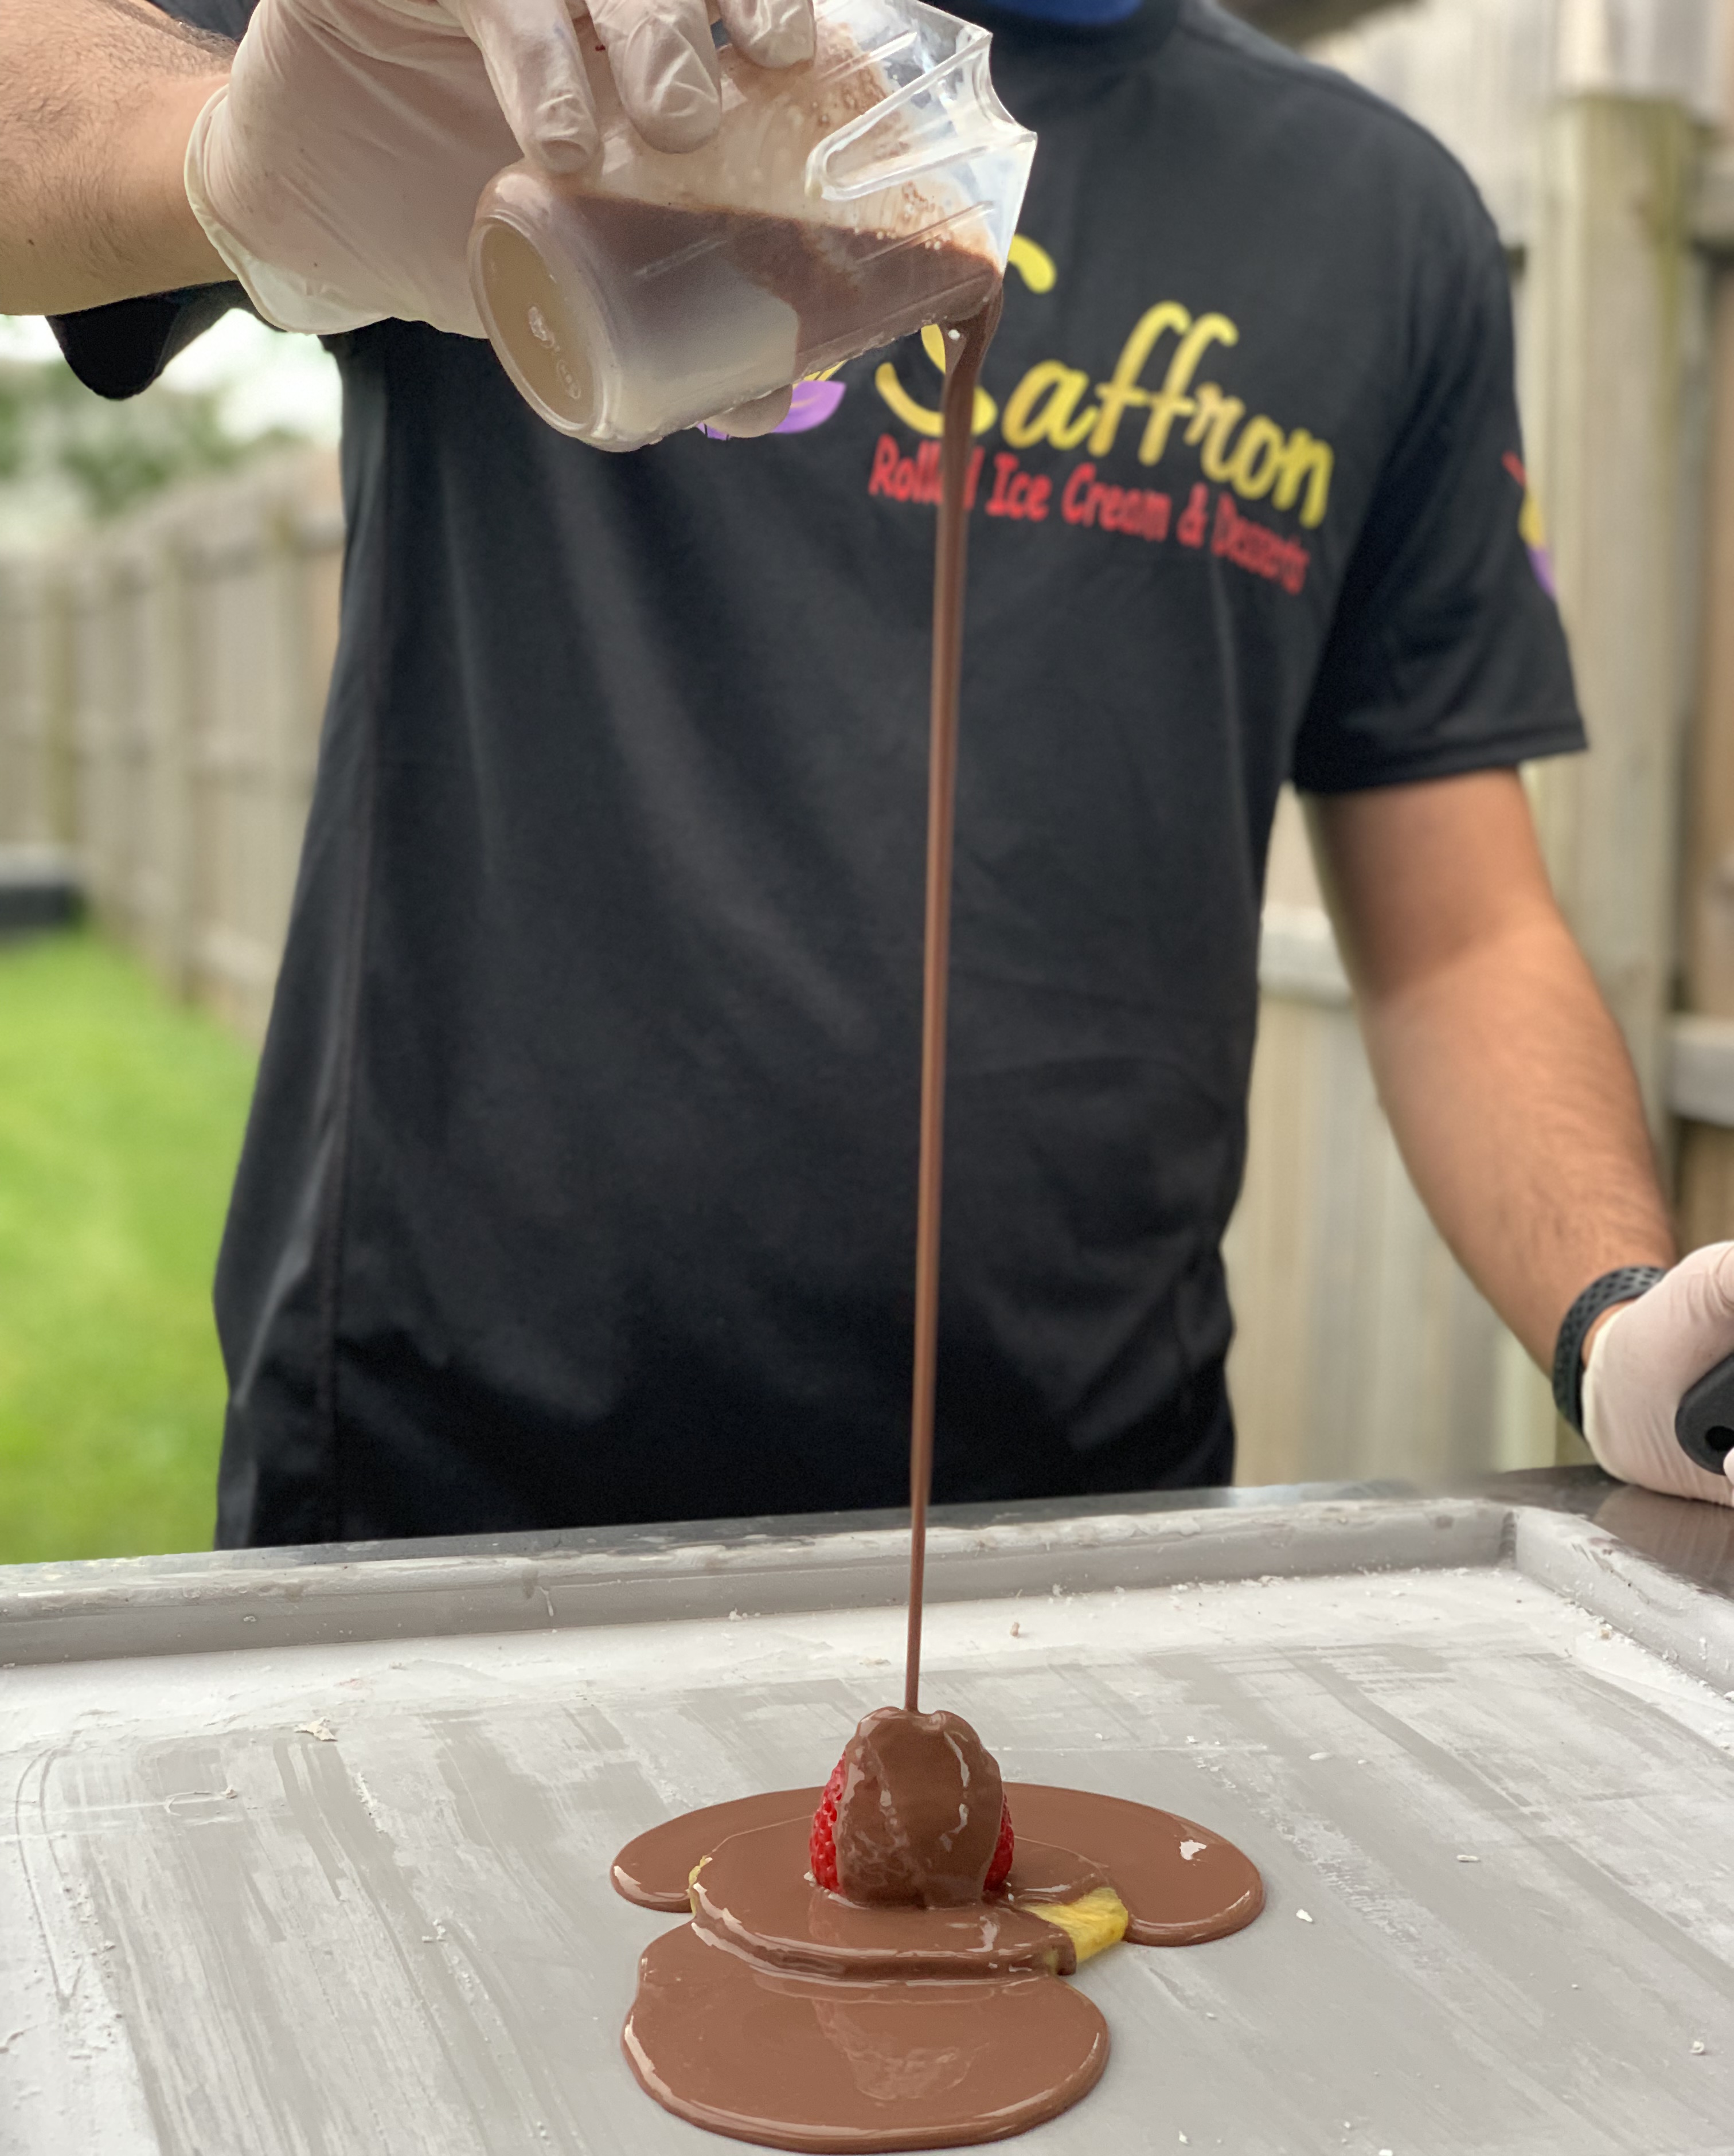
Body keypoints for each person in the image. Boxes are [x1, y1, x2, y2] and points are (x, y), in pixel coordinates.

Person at [5, 0, 1731, 1544]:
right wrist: (226, 162)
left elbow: (1460, 937)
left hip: (1086, 1529)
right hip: (446, 1499)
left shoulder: (1378, 218)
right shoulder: (563, 39)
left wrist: (1612, 1322)